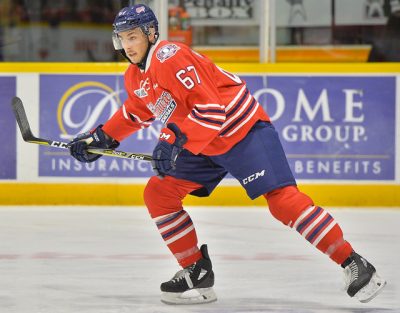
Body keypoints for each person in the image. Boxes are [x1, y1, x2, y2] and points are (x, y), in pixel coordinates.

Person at [68, 4, 386, 305]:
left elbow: (211, 111)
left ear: (151, 33)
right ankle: (197, 271)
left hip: (241, 130)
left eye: (133, 36)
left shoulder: (170, 57)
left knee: (283, 201)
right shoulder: (136, 75)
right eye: (122, 38)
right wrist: (102, 136)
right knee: (159, 193)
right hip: (202, 142)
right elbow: (136, 112)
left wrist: (173, 142)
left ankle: (355, 263)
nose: (127, 45)